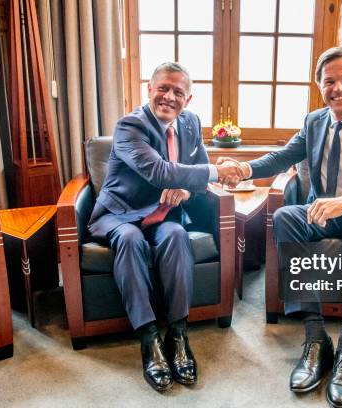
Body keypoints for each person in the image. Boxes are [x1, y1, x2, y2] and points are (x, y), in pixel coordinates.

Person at [218, 47, 342, 407]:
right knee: (285, 216)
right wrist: (244, 168)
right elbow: (283, 157)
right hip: (324, 213)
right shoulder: (314, 122)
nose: (338, 88)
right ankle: (316, 339)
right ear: (319, 86)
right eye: (330, 81)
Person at [88, 62, 242, 392]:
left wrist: (187, 189)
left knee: (176, 236)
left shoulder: (190, 123)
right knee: (129, 240)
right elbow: (159, 172)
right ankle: (149, 340)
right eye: (163, 88)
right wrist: (218, 171)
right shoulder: (130, 125)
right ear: (149, 88)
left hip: (164, 215)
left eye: (178, 92)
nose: (169, 97)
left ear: (188, 98)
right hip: (122, 214)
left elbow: (195, 168)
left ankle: (178, 334)